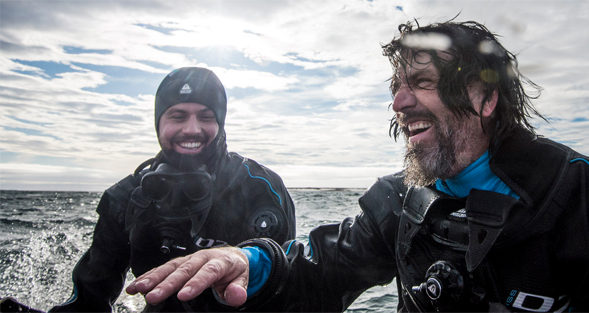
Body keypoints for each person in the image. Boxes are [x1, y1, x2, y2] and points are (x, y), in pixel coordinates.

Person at [126, 21, 589, 312]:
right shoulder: (403, 201)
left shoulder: (574, 192)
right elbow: (322, 264)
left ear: (486, 97)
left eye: (421, 83)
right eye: (396, 87)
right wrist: (248, 259)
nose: (398, 102)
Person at [46, 67, 296, 312]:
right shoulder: (124, 198)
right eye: (178, 116)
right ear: (158, 122)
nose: (191, 129)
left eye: (206, 117)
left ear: (220, 123)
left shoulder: (259, 186)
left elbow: (292, 282)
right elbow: (90, 297)